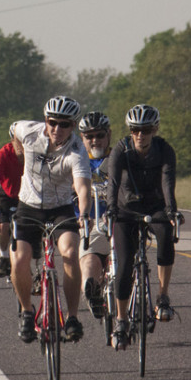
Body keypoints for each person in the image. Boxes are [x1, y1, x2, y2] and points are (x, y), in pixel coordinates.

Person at [10, 96, 92, 344]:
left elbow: (83, 188)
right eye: (52, 122)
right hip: (28, 206)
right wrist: (16, 145)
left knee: (69, 252)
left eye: (65, 124)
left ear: (74, 125)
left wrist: (85, 214)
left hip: (61, 208)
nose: (57, 129)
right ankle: (26, 311)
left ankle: (73, 317)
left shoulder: (77, 151)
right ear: (45, 120)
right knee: (21, 259)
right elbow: (13, 127)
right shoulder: (29, 131)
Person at [106, 103, 183, 351]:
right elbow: (113, 183)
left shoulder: (164, 150)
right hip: (126, 209)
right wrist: (110, 209)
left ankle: (162, 297)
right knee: (125, 264)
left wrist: (171, 211)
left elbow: (168, 183)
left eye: (147, 129)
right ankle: (121, 321)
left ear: (155, 129)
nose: (141, 135)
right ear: (130, 130)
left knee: (165, 232)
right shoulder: (121, 149)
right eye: (136, 129)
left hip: (155, 207)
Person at [77, 112, 113, 320]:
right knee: (89, 256)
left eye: (99, 135)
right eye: (89, 136)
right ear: (81, 138)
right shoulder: (76, 162)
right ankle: (92, 292)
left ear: (108, 134)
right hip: (90, 221)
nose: (95, 140)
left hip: (119, 218)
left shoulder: (120, 157)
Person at [0, 125, 23, 278]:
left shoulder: (34, 153)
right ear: (12, 140)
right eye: (18, 141)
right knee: (3, 225)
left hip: (26, 196)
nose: (22, 145)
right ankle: (3, 256)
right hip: (6, 194)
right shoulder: (3, 153)